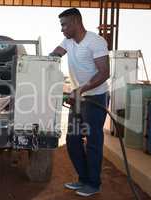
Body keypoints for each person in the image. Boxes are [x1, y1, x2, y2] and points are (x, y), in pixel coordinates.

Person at [49, 8, 110, 197]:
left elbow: (104, 73)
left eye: (64, 25)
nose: (62, 29)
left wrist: (80, 90)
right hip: (78, 98)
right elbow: (54, 55)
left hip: (95, 98)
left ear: (75, 21)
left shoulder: (96, 41)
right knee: (73, 140)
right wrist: (37, 63)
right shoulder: (68, 41)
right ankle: (83, 179)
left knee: (93, 141)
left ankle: (93, 184)